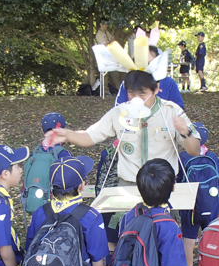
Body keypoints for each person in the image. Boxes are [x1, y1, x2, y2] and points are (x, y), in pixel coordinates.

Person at [46, 69, 200, 249]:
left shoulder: (172, 112)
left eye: (142, 94)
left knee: (163, 241)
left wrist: (186, 132)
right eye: (131, 93)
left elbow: (194, 150)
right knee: (129, 240)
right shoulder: (119, 113)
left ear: (156, 89)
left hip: (163, 189)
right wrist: (67, 135)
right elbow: (90, 136)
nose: (137, 99)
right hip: (129, 187)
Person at [176, 122, 219, 266]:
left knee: (189, 240)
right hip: (211, 206)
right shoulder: (212, 156)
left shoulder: (183, 157)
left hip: (190, 206)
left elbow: (178, 179)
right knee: (211, 238)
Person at [115, 46, 184, 110]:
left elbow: (178, 109)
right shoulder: (128, 83)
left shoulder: (169, 83)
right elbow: (119, 109)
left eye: (150, 64)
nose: (147, 68)